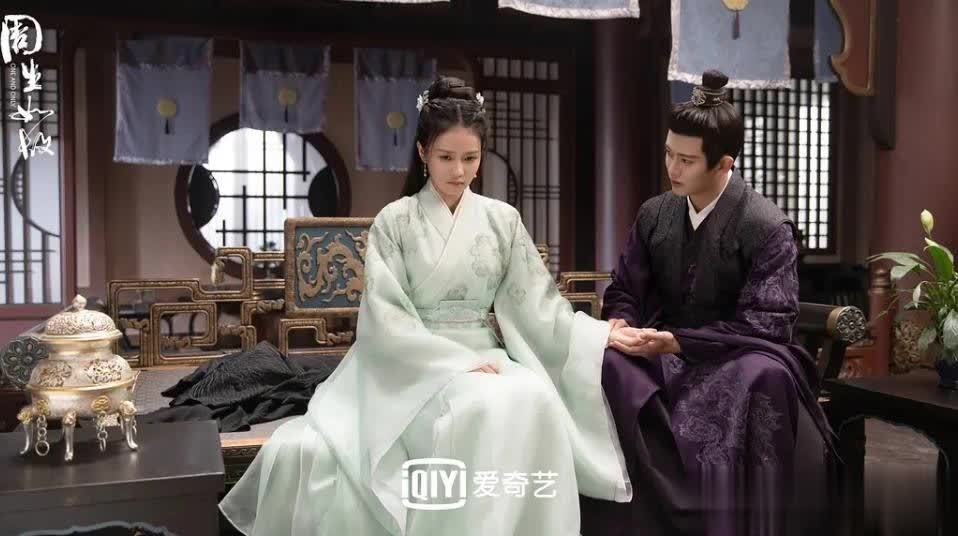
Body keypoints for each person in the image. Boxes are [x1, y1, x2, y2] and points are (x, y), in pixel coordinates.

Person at [219, 76, 631, 536]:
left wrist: (598, 333)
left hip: (486, 353)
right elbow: (386, 318)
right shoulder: (395, 222)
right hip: (412, 361)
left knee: (535, 397)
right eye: (446, 157)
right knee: (478, 408)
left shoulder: (502, 220)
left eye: (470, 158)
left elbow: (535, 303)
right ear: (422, 153)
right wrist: (454, 362)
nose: (459, 171)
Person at [580, 70, 836, 536]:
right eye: (668, 154)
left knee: (761, 377)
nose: (672, 169)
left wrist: (678, 342)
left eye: (686, 160)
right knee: (608, 363)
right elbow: (626, 288)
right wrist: (621, 323)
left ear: (724, 164)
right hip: (663, 344)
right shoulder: (656, 214)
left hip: (739, 350)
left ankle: (730, 521)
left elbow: (767, 323)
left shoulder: (766, 226)